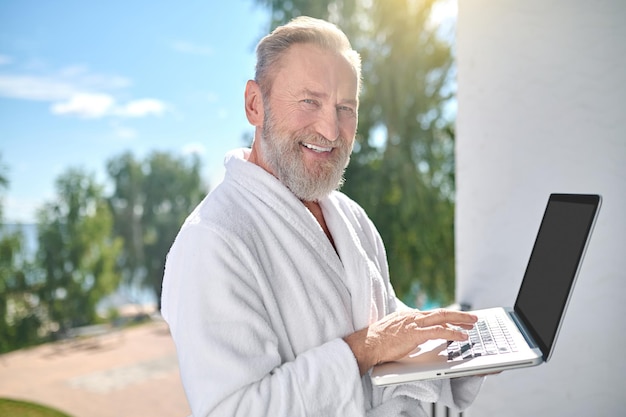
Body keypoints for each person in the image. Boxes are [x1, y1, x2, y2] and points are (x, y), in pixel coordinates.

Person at [161, 16, 484, 417]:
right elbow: (235, 410)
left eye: (345, 108)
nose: (331, 130)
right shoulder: (212, 241)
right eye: (309, 101)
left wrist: (468, 350)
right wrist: (368, 348)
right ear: (254, 104)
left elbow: (394, 333)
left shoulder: (350, 217)